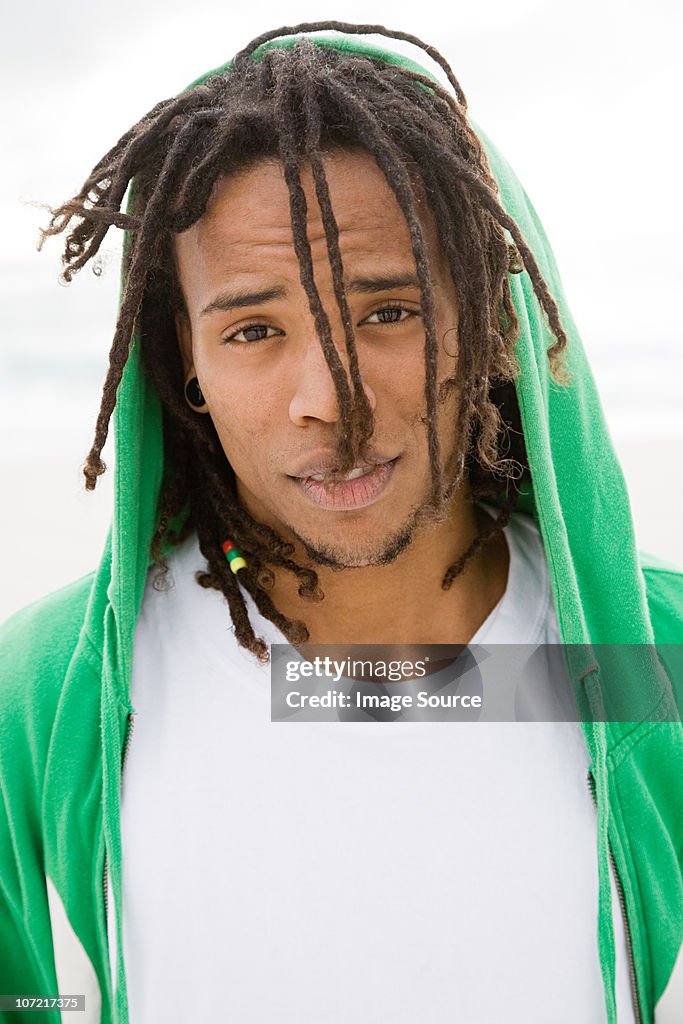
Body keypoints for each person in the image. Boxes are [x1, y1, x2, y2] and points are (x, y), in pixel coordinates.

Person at [1, 21, 681, 1024]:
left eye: (387, 310)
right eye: (255, 330)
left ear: (492, 322)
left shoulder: (645, 661)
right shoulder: (52, 698)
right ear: (182, 359)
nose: (331, 398)